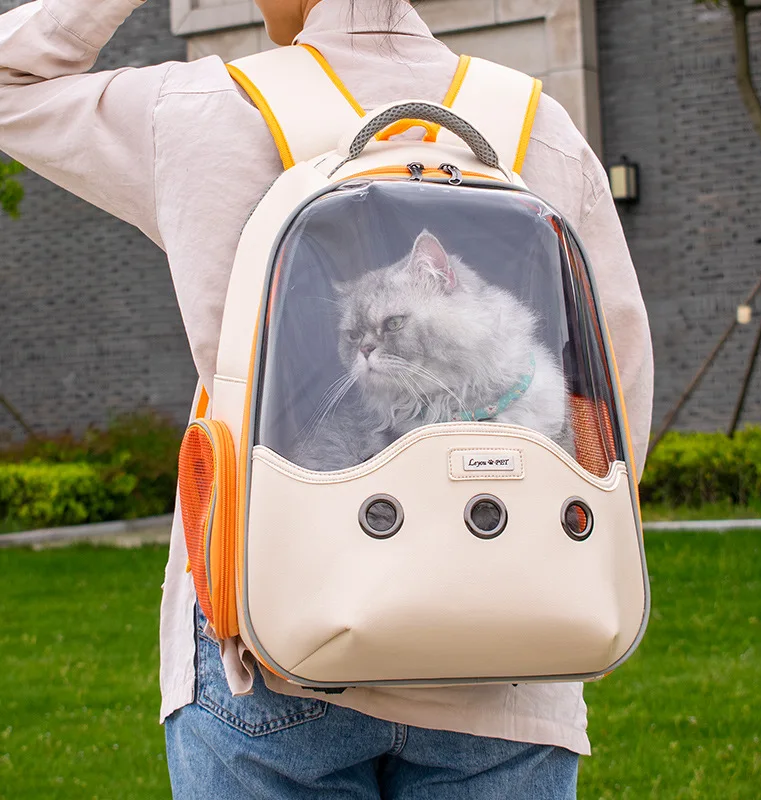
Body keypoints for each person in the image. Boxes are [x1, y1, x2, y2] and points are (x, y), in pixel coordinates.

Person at [0, 0, 654, 796]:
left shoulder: (201, 107)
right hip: (513, 642)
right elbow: (618, 386)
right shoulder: (535, 123)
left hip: (275, 637)